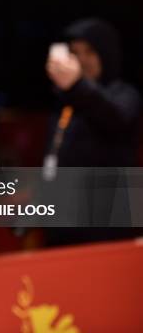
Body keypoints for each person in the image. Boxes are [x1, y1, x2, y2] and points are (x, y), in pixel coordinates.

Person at [44, 18, 141, 245]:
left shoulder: (125, 95)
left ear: (106, 54)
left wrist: (77, 85)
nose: (81, 60)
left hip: (106, 230)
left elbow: (113, 117)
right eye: (75, 52)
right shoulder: (65, 102)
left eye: (90, 52)